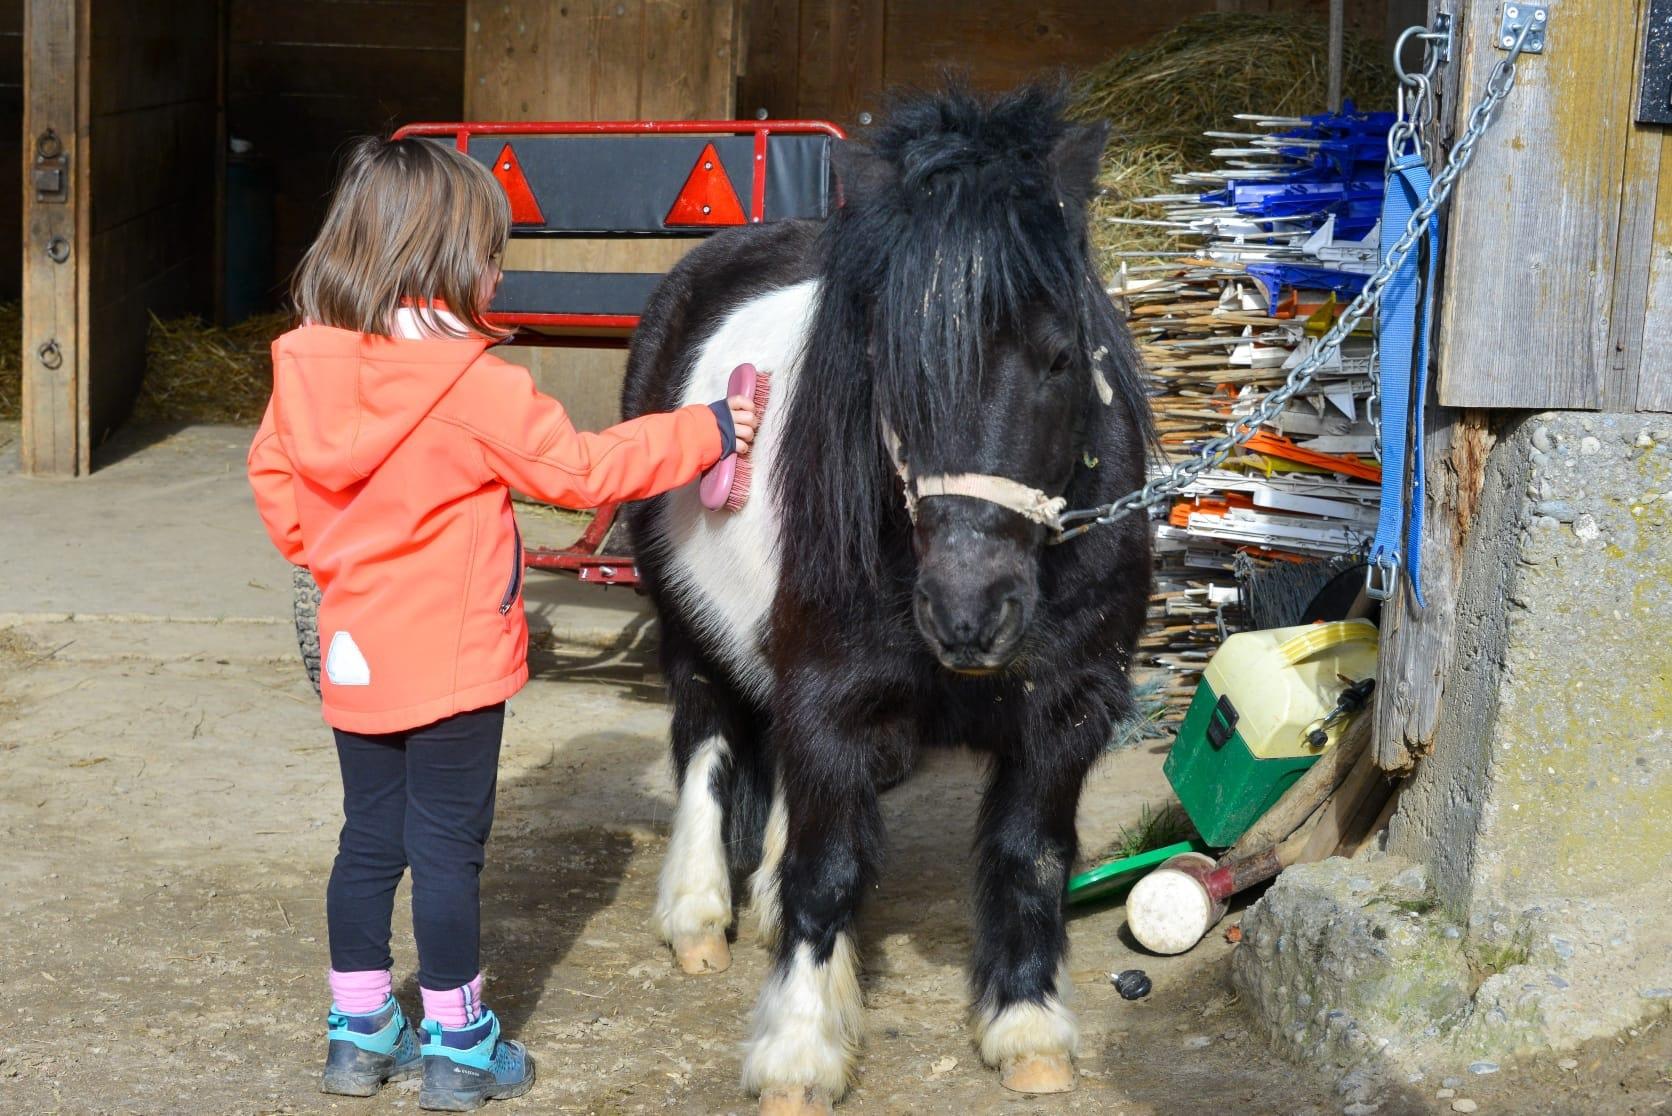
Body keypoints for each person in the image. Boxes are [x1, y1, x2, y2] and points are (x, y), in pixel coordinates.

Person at [247, 136, 754, 1111]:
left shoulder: (305, 366)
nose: (499, 268)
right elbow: (583, 475)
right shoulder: (473, 386)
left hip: (354, 648)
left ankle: (357, 1035)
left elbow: (275, 481)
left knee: (368, 839)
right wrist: (710, 430)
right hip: (452, 661)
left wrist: (333, 554)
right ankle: (459, 1044)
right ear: (442, 259)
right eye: (490, 250)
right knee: (446, 850)